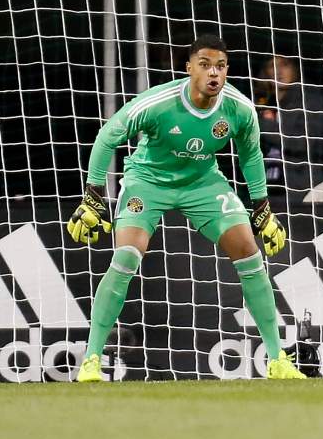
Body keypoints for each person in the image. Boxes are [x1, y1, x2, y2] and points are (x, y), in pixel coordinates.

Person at [67, 34, 305, 381]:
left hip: (202, 181)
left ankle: (277, 359)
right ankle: (91, 360)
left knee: (250, 254)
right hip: (148, 179)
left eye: (221, 66)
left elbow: (250, 154)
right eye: (206, 64)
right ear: (189, 67)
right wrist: (93, 195)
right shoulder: (158, 102)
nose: (214, 73)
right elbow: (108, 136)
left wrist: (262, 208)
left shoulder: (238, 108)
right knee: (127, 257)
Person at [254, 54, 323, 199]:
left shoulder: (311, 98)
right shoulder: (263, 102)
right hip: (269, 187)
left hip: (303, 187)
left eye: (284, 64)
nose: (278, 71)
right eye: (272, 66)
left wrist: (261, 124)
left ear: (295, 68)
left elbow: (303, 143)